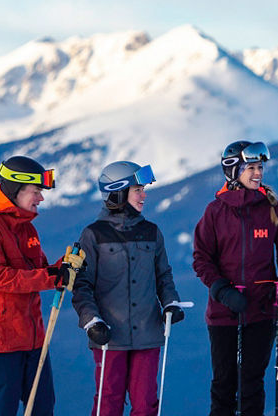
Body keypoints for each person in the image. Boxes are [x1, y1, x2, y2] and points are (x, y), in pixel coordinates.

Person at [0, 155, 85, 416]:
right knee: (2, 411)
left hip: (32, 337)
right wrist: (53, 276)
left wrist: (65, 266)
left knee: (43, 408)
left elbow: (40, 272)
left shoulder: (27, 229)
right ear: (14, 188)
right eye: (36, 191)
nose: (41, 198)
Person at [192, 140, 278, 416]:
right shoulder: (215, 212)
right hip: (224, 310)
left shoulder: (273, 208)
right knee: (224, 383)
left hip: (263, 310)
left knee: (251, 382)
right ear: (233, 171)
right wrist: (222, 290)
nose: (258, 173)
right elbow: (201, 258)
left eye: (260, 167)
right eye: (251, 167)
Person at [72, 161, 183, 416]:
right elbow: (82, 285)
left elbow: (163, 275)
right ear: (118, 192)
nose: (144, 195)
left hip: (148, 332)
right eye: (138, 190)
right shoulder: (94, 234)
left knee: (145, 405)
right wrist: (92, 321)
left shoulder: (152, 232)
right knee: (108, 404)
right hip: (109, 335)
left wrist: (171, 303)